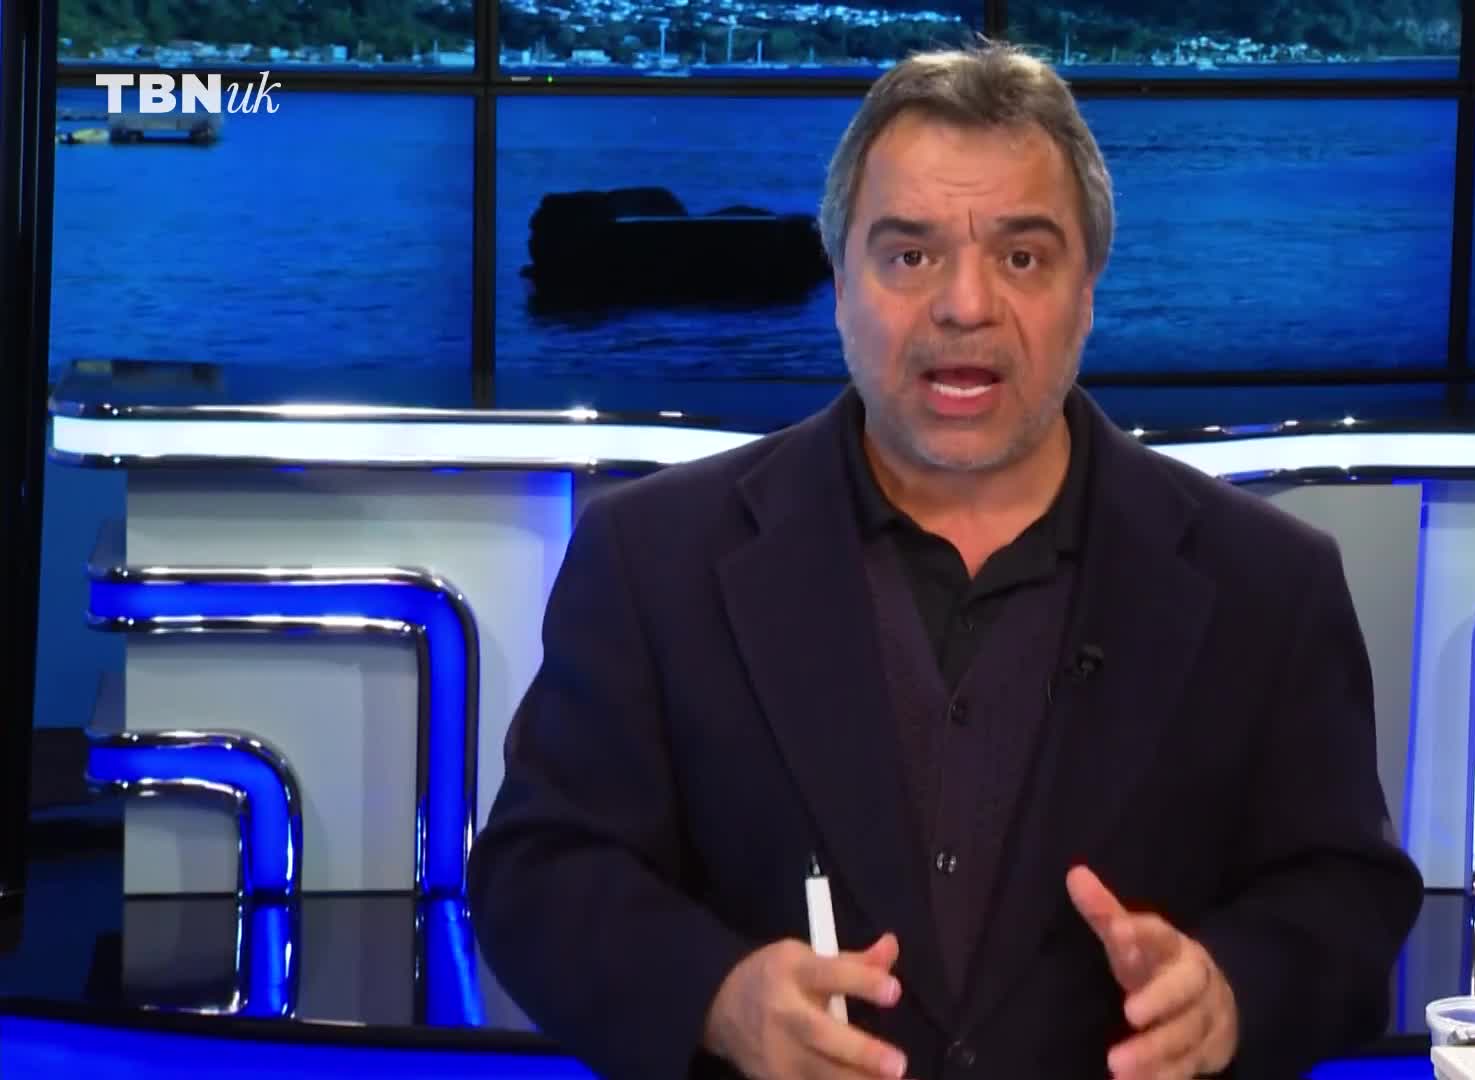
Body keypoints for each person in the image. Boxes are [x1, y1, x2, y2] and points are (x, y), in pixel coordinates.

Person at [469, 40, 1423, 1080]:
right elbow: (538, 874)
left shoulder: (1267, 585)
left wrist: (1233, 992)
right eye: (909, 255)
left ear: (1087, 291)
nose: (965, 306)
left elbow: (1347, 894)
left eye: (1022, 256)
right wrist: (718, 997)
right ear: (838, 288)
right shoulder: (653, 558)